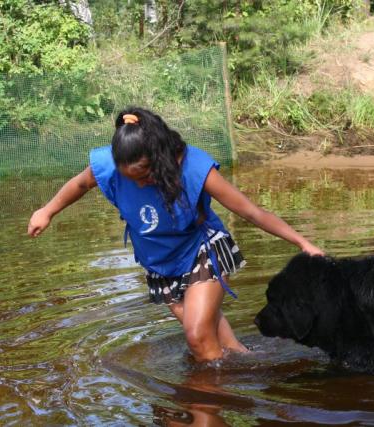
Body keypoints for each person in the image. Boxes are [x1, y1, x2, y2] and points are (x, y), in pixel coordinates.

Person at [27, 107, 324, 362]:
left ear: (159, 157)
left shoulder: (195, 168)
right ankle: (249, 368)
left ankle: (209, 401)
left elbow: (251, 212)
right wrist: (47, 211)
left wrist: (302, 243)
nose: (141, 185)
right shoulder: (109, 165)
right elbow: (80, 184)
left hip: (201, 250)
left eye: (145, 176)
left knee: (196, 336)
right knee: (212, 337)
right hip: (160, 264)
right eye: (132, 179)